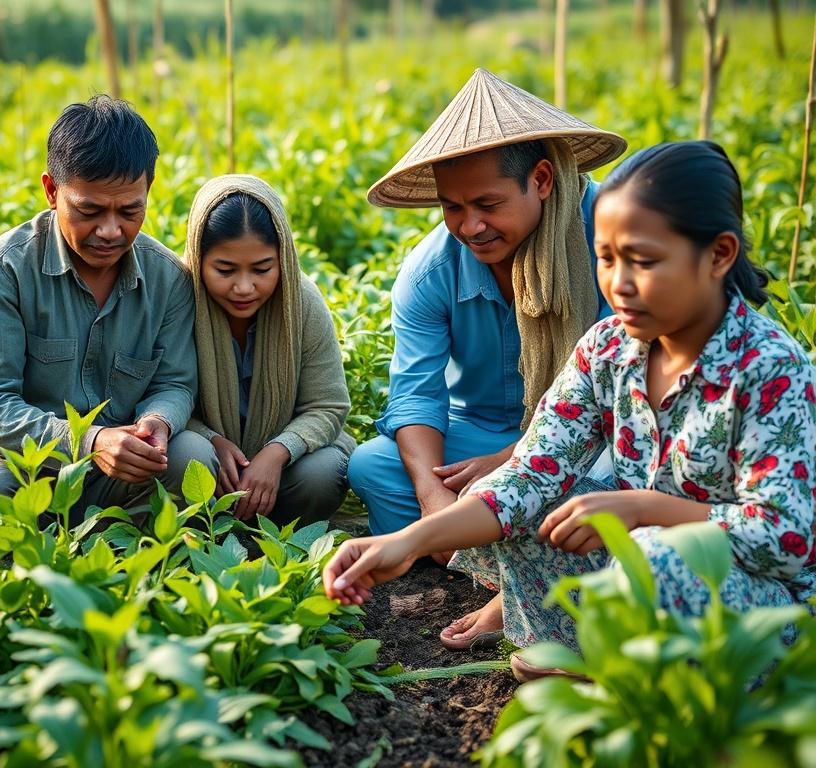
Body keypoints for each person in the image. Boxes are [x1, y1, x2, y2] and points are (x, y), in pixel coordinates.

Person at [324, 141, 816, 681]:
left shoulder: (768, 368)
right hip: (643, 573)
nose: (619, 285)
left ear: (718, 255)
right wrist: (404, 542)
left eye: (644, 262)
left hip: (762, 613)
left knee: (659, 553)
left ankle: (615, 668)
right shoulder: (609, 348)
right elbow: (527, 474)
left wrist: (644, 509)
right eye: (606, 258)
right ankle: (576, 645)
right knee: (534, 509)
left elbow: (787, 539)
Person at [348, 68, 626, 649]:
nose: (470, 226)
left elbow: (619, 402)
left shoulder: (609, 242)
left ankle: (506, 574)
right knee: (375, 467)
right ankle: (510, 551)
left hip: (593, 439)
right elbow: (416, 394)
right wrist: (432, 498)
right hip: (480, 435)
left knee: (601, 486)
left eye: (488, 204)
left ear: (543, 180)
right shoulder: (431, 271)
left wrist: (515, 457)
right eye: (452, 207)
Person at [0, 96, 216, 553]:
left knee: (193, 459)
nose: (110, 231)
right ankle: (56, 558)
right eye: (89, 211)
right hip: (21, 465)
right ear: (51, 191)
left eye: (130, 211)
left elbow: (176, 382)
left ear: (149, 190)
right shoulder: (4, 271)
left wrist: (157, 424)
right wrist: (88, 439)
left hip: (125, 471)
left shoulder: (167, 278)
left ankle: (125, 559)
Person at [183, 175, 355, 525]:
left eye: (262, 269)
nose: (244, 287)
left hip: (286, 465)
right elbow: (160, 393)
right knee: (187, 455)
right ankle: (204, 527)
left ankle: (271, 529)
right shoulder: (179, 297)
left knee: (321, 476)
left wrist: (277, 453)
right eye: (225, 270)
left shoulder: (302, 303)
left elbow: (328, 405)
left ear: (283, 260)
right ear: (199, 258)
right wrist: (210, 438)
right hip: (211, 460)